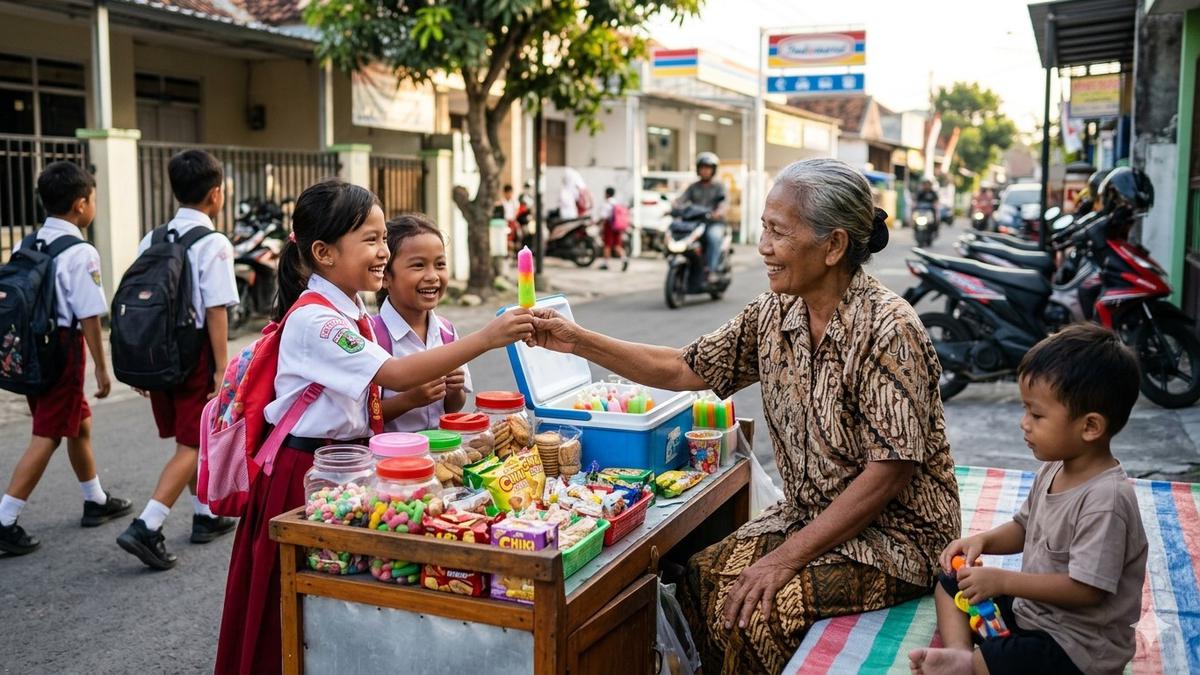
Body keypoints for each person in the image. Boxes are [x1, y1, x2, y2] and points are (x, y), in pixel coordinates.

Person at [531, 158, 960, 673]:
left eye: (778, 232)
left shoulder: (890, 329)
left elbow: (889, 472)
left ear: (834, 246)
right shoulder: (774, 313)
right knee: (699, 576)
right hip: (811, 514)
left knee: (760, 613)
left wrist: (783, 559)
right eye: (763, 228)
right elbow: (682, 367)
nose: (763, 247)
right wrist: (577, 340)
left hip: (895, 538)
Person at [214, 179, 534, 675]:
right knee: (294, 606)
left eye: (384, 238)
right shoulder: (318, 321)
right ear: (323, 252)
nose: (383, 251)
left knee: (334, 598)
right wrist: (488, 337)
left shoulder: (348, 306)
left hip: (342, 465)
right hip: (301, 474)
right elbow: (396, 374)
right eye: (370, 239)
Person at [910, 324, 1147, 675]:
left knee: (1006, 659)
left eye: (1036, 415)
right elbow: (1023, 526)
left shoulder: (1106, 500)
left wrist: (1003, 582)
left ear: (1090, 427)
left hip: (1078, 646)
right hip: (1033, 611)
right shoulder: (1053, 469)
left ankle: (974, 664)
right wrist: (982, 541)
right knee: (951, 584)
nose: (1024, 424)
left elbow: (1087, 590)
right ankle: (962, 656)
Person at [0, 162, 132, 555]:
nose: (94, 205)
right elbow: (89, 315)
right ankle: (5, 519)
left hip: (25, 347)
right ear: (80, 204)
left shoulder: (29, 243)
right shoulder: (80, 251)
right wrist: (102, 369)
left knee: (78, 425)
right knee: (49, 433)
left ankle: (95, 499)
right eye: (93, 198)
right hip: (60, 348)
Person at [116, 150, 239, 569]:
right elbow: (216, 309)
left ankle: (205, 514)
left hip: (155, 351)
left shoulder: (151, 239)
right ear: (216, 194)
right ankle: (147, 527)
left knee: (186, 437)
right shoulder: (213, 242)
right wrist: (222, 368)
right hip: (193, 353)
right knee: (195, 440)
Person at [373, 214, 470, 432]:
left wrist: (455, 391)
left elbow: (453, 407)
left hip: (440, 455)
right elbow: (364, 416)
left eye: (440, 264)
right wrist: (410, 399)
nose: (432, 276)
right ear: (386, 276)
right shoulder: (371, 335)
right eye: (418, 265)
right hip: (392, 460)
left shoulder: (447, 332)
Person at [674, 152, 728, 282]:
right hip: (696, 223)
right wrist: (673, 206)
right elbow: (681, 200)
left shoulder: (719, 186)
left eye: (708, 167)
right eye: (703, 167)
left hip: (714, 223)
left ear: (713, 170)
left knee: (713, 237)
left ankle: (711, 270)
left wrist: (719, 211)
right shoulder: (693, 187)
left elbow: (724, 203)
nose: (705, 170)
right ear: (698, 169)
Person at [598, 186, 629, 272]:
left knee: (607, 245)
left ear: (607, 194)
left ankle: (606, 263)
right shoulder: (616, 203)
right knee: (617, 245)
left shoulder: (607, 203)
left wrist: (597, 224)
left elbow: (604, 217)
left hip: (609, 226)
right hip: (617, 226)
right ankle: (624, 259)